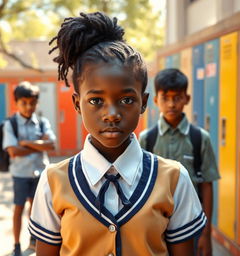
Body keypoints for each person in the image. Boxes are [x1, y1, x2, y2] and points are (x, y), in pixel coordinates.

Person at [29, 12, 206, 256]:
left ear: (143, 103)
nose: (111, 114)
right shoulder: (54, 181)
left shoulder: (174, 179)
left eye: (126, 99)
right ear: (77, 103)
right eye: (96, 100)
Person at [139, 68, 220, 256]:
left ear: (187, 99)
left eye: (177, 98)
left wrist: (206, 233)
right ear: (156, 100)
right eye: (165, 98)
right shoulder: (146, 139)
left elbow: (207, 185)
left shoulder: (200, 138)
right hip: (156, 224)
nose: (172, 104)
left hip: (192, 223)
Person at [3, 81, 56, 256]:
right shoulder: (11, 124)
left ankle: (34, 239)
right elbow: (13, 151)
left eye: (32, 103)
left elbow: (51, 145)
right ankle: (17, 244)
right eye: (23, 103)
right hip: (20, 174)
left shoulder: (42, 122)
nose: (28, 107)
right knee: (19, 208)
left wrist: (25, 143)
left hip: (41, 174)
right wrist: (38, 145)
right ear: (16, 103)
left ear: (37, 103)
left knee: (37, 209)